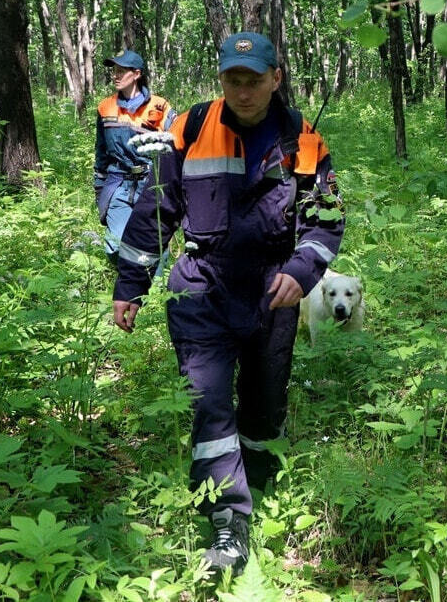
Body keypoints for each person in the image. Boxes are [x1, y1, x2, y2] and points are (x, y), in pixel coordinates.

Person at [111, 32, 344, 576]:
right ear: (221, 79)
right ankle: (228, 521)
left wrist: (302, 271)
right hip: (201, 286)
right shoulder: (188, 129)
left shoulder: (302, 139)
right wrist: (130, 286)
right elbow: (157, 211)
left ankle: (260, 480)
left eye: (254, 80)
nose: (243, 91)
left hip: (273, 290)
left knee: (264, 404)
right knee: (209, 403)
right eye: (233, 80)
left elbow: (325, 220)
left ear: (275, 78)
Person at [94, 50, 177, 263]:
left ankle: (154, 293)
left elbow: (176, 147)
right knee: (116, 244)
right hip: (118, 183)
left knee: (153, 245)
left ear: (137, 74)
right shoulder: (105, 107)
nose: (116, 75)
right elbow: (101, 153)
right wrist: (99, 188)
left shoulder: (160, 107)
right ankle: (129, 284)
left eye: (121, 71)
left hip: (151, 183)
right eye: (114, 71)